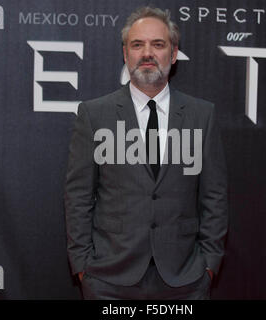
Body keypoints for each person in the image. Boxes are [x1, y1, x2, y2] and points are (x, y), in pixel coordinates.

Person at [64, 6, 228, 300]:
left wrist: (209, 265)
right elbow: (78, 196)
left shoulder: (202, 115)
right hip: (108, 280)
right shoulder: (94, 115)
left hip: (184, 281)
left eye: (158, 44)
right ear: (125, 54)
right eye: (137, 44)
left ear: (174, 54)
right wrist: (83, 266)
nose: (147, 53)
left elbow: (214, 196)